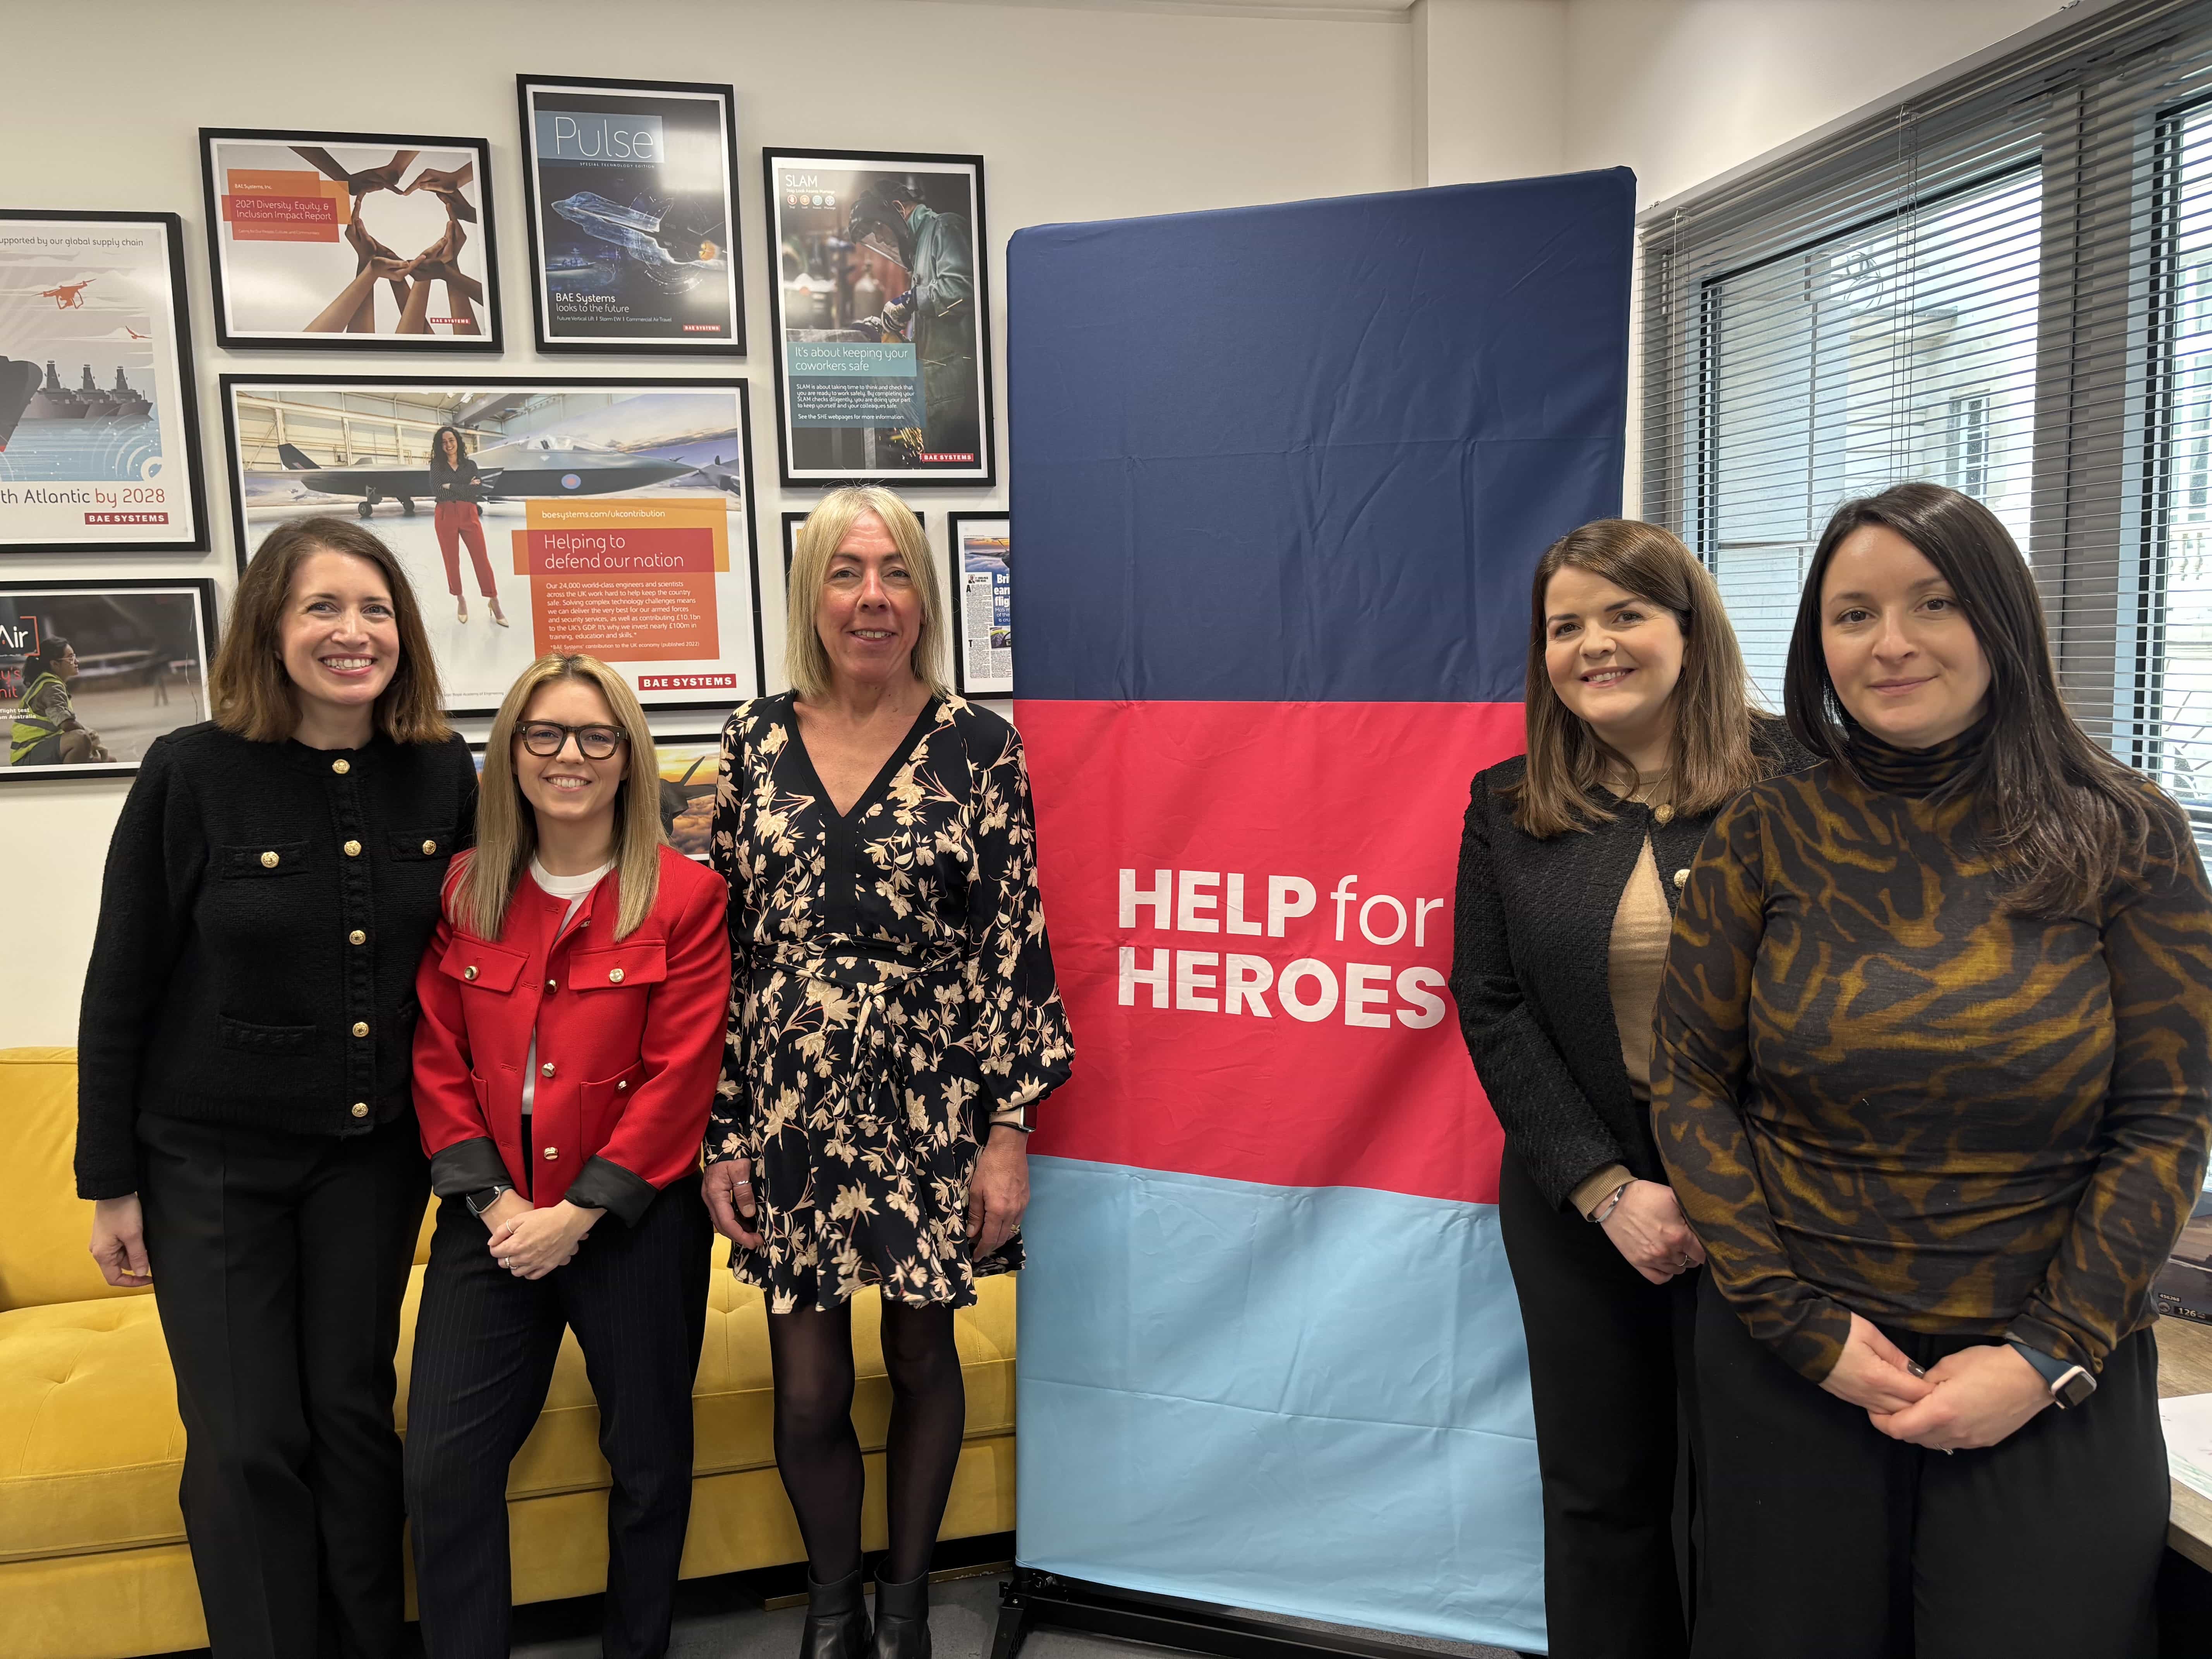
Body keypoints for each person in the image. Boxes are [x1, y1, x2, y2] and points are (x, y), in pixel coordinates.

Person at [1654, 483, 2212, 1659]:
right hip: (1792, 1370)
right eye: (1850, 614)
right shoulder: (1762, 828)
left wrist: (2043, 1355)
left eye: (1933, 603)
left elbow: (2164, 1120)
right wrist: (1794, 1324)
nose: (1889, 643)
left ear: (2001, 620)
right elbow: (1691, 1085)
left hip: (2046, 1376)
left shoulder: (2126, 831)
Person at [75, 515, 475, 1659]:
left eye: (376, 610)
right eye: (322, 609)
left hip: (371, 1158)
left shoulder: (443, 771)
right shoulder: (191, 772)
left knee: (350, 1417)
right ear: (271, 626)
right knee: (248, 1436)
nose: (353, 634)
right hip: (207, 1163)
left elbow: (480, 955)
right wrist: (110, 1181)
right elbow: (122, 983)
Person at [704, 486, 1072, 1659]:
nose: (872, 597)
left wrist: (1005, 1132)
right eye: (846, 572)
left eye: (895, 573)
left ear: (924, 596)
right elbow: (714, 946)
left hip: (931, 1097)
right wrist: (722, 1132)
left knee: (921, 1354)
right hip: (789, 1098)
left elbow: (1012, 946)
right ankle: (831, 1613)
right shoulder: (752, 738)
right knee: (808, 1385)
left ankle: (907, 1608)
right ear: (812, 593)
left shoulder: (980, 746)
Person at [1450, 520, 1800, 1659]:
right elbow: (1490, 1002)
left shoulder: (1801, 779)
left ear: (1686, 631)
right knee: (1598, 1499)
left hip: (1772, 1211)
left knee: (1758, 1505)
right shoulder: (1507, 806)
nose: (1592, 644)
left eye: (1623, 615)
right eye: (1564, 626)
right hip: (1579, 1214)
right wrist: (1605, 1189)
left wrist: (1721, 1188)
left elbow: (1851, 998)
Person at [405, 653, 727, 1659]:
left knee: (648, 1465)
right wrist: (500, 1206)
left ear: (630, 758)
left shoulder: (685, 896)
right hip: (493, 1220)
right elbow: (436, 1054)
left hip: (628, 1221)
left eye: (596, 736)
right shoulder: (466, 886)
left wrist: (577, 1215)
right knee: (444, 1467)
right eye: (543, 733)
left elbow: (682, 1075)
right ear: (510, 754)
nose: (569, 755)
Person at [845, 181, 980, 465]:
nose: (881, 241)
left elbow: (963, 291)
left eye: (879, 231)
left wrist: (908, 302)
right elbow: (934, 335)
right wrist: (888, 335)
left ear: (897, 210)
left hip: (956, 395)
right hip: (936, 394)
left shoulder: (944, 228)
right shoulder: (920, 251)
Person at [428, 423, 505, 627]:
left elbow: (475, 492)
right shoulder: (437, 466)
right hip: (445, 514)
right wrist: (464, 488)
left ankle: (494, 600)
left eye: (451, 440)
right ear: (440, 446)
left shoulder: (470, 466)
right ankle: (460, 599)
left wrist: (452, 486)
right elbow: (439, 492)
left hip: (468, 514)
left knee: (481, 558)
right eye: (444, 442)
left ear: (458, 442)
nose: (448, 445)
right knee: (451, 561)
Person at [10, 635, 112, 764]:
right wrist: (91, 737)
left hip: (46, 748)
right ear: (55, 664)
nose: (76, 662)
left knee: (109, 763)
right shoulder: (51, 687)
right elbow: (67, 724)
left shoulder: (50, 684)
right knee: (80, 738)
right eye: (70, 658)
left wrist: (91, 735)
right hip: (28, 755)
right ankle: (69, 781)